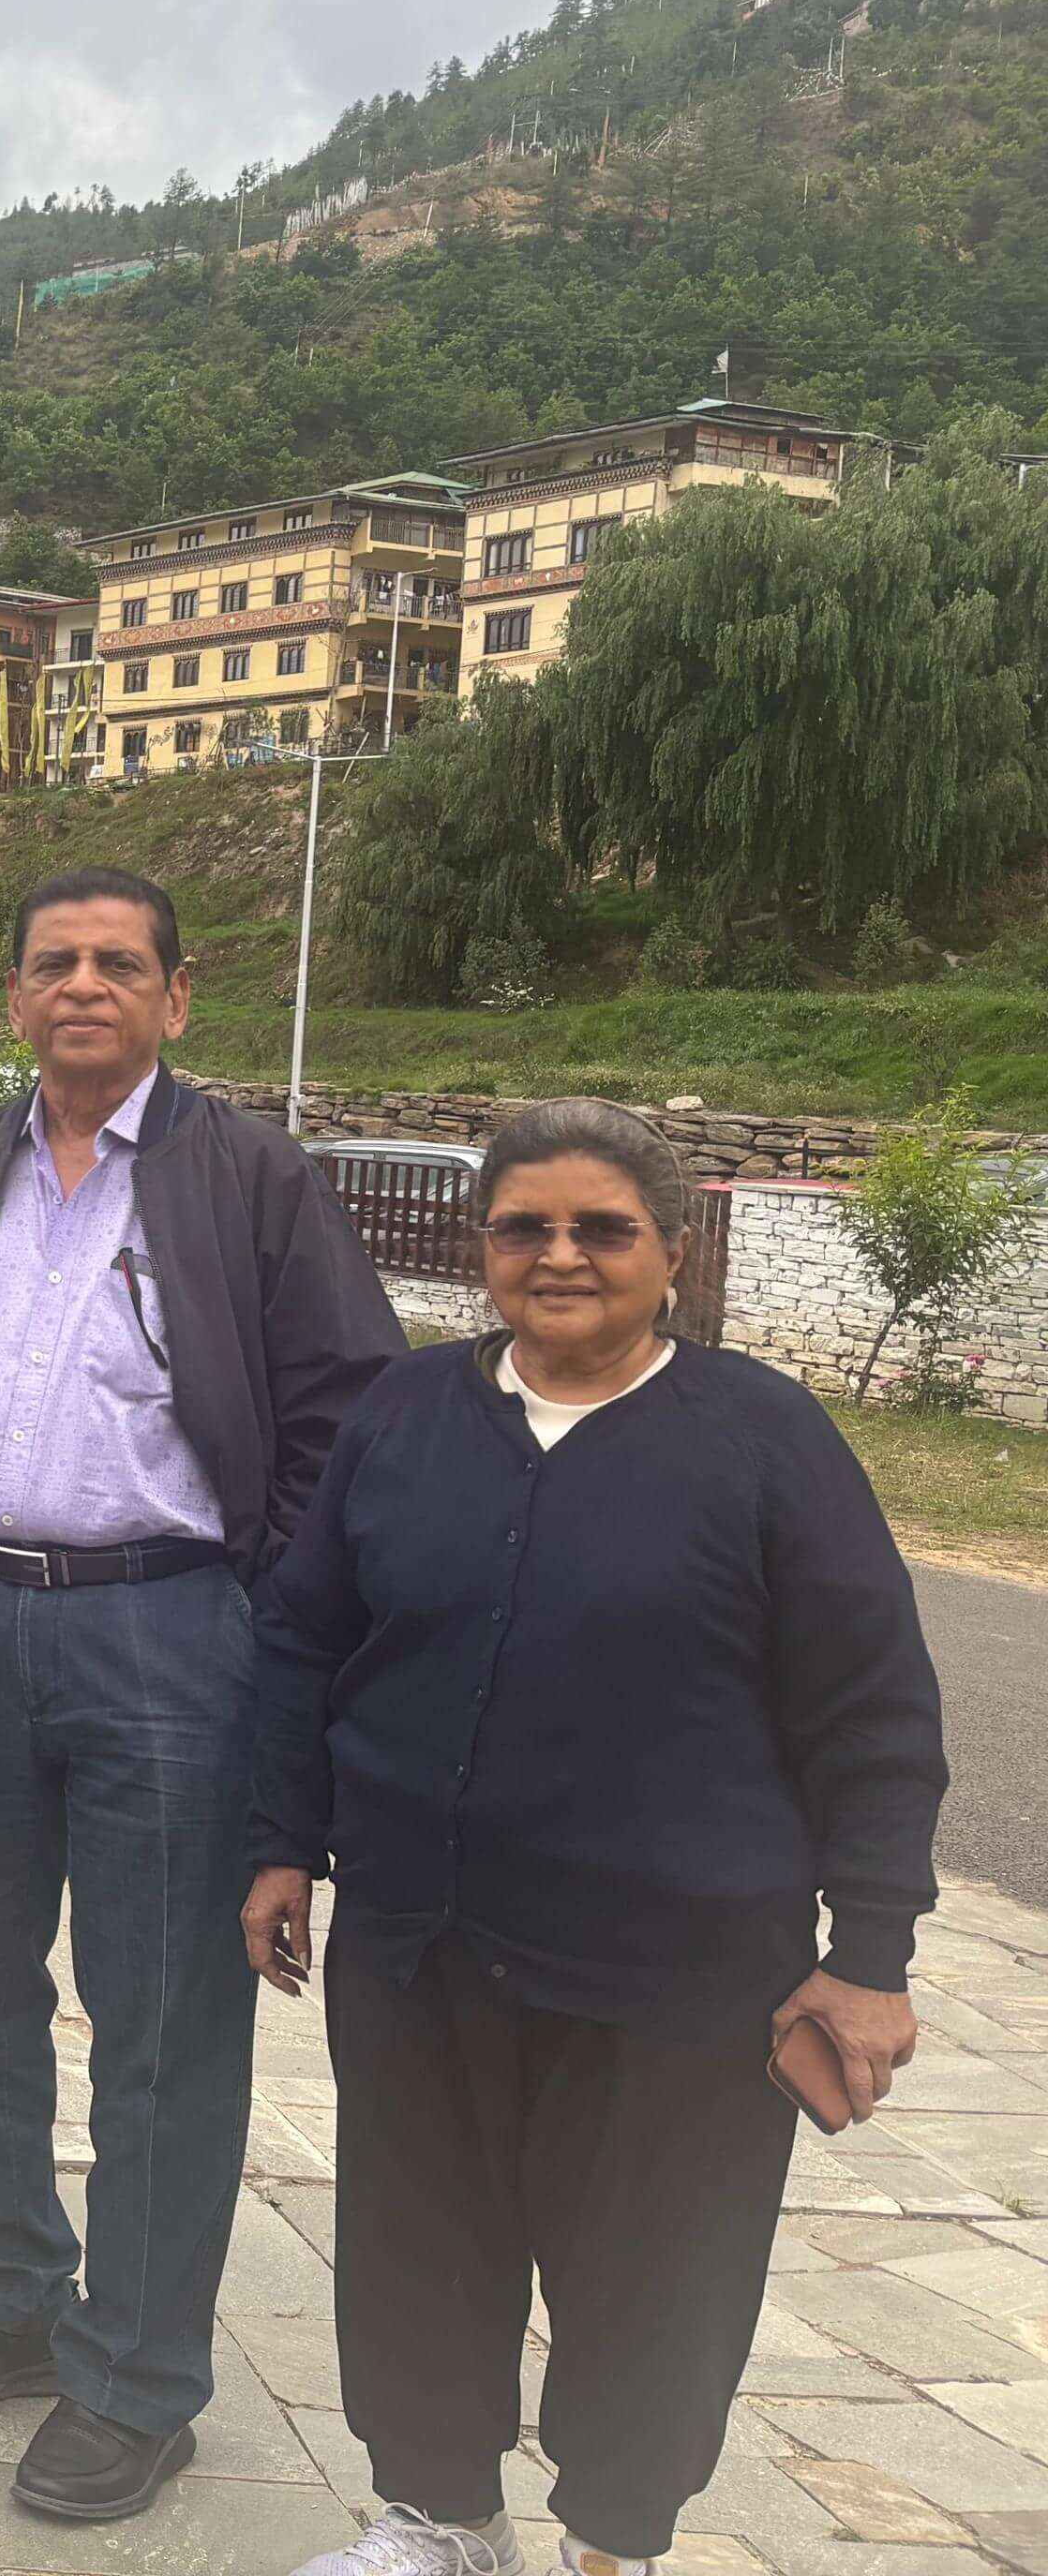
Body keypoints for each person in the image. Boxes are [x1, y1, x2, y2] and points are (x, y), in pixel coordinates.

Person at [250, 1098, 946, 2576]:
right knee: (421, 2244)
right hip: (425, 1937)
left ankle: (614, 2544)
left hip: (679, 1970)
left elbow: (872, 1705)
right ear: (483, 1246)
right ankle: (441, 2520)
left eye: (602, 1229)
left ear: (673, 1251)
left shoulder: (763, 1437)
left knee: (656, 2276)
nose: (560, 1255)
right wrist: (280, 1840)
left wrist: (871, 1952)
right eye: (525, 1227)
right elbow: (306, 1638)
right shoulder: (406, 1412)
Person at [0, 867, 402, 2522]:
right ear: (14, 995)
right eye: (55, 963)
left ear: (176, 994)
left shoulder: (254, 1178)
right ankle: (3, 2293)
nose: (84, 986)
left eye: (118, 964)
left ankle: (138, 2379)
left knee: (160, 2023)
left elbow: (343, 1419)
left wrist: (265, 1624)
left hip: (169, 1636)